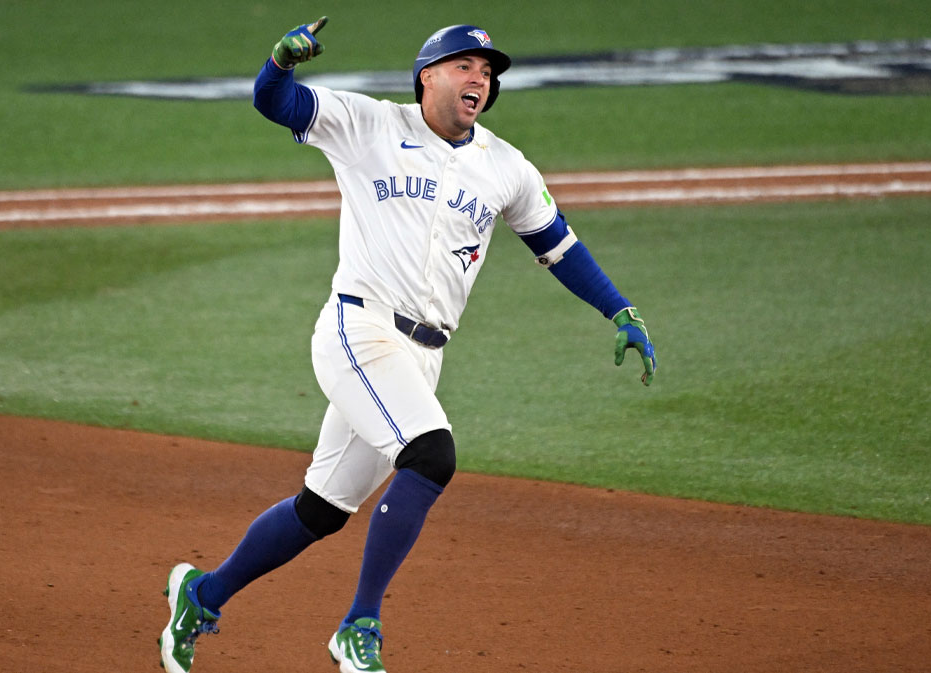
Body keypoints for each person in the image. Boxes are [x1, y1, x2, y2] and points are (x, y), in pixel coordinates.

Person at [159, 18, 657, 673]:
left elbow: (557, 246)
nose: (480, 78)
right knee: (430, 453)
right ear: (428, 75)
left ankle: (202, 593)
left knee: (322, 509)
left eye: (488, 72)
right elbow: (274, 103)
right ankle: (359, 623)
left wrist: (617, 307)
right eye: (465, 66)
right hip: (358, 330)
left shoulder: (506, 166)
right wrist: (280, 62)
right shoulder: (370, 123)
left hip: (423, 356)